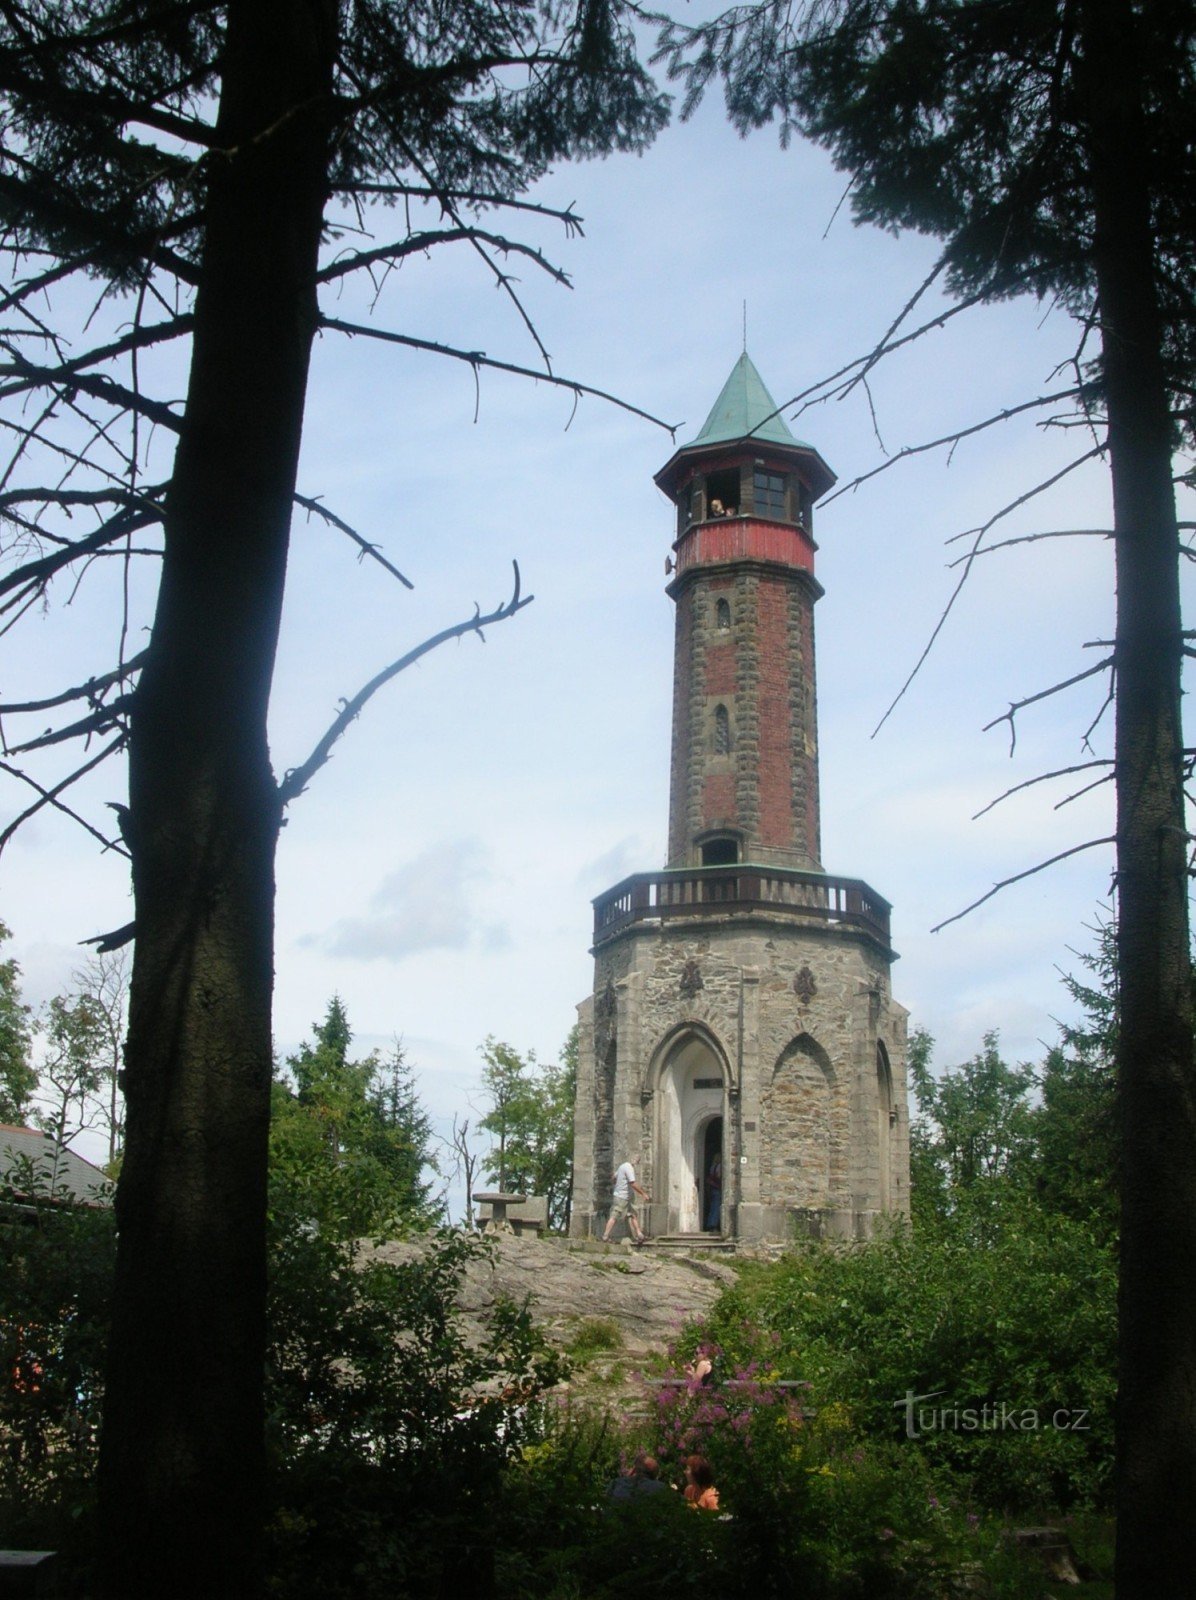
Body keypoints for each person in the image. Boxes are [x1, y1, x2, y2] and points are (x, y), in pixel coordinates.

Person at [602, 1158, 650, 1244]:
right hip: (622, 1197)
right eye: (637, 1161)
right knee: (614, 1216)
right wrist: (643, 1193)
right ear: (635, 1161)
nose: (637, 1163)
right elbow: (633, 1183)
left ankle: (640, 1235)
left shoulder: (622, 1166)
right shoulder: (628, 1168)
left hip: (625, 1197)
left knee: (633, 1214)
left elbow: (613, 1177)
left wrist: (618, 1184)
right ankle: (605, 1236)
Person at [704, 1153, 722, 1231]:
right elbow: (718, 1176)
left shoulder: (712, 1167)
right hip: (717, 1189)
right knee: (716, 1208)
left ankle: (710, 1223)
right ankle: (712, 1225)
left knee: (713, 1207)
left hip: (712, 1189)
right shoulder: (719, 1166)